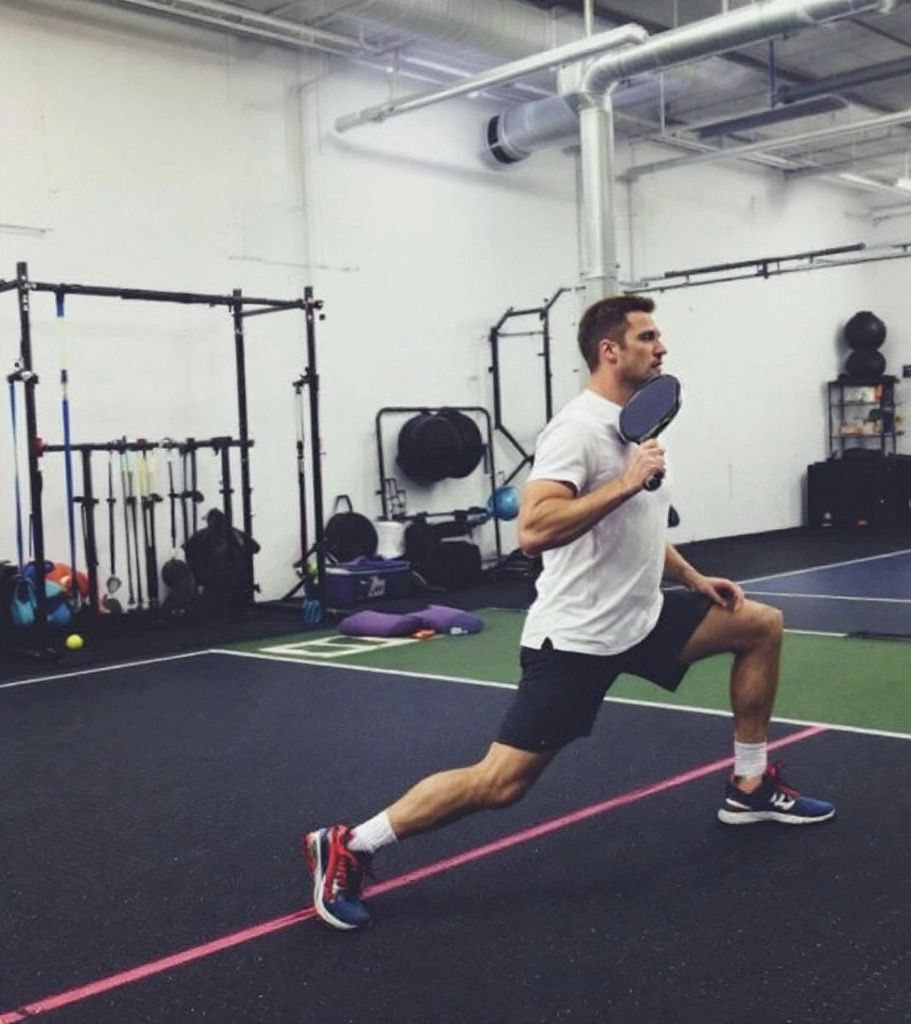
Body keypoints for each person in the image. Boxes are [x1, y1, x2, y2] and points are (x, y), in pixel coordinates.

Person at [303, 294, 834, 931]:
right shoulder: (576, 430)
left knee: (761, 626)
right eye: (647, 337)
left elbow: (636, 526)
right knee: (501, 783)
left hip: (640, 617)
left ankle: (749, 787)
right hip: (577, 639)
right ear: (611, 351)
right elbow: (532, 528)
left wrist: (694, 577)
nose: (661, 348)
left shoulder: (635, 425)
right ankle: (349, 844)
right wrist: (625, 482)